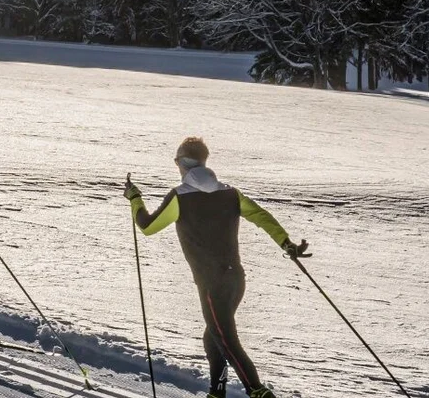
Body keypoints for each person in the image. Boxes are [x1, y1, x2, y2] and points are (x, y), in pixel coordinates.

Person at [126, 137, 307, 398]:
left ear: (184, 163)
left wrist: (134, 198)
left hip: (212, 285)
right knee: (213, 337)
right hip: (236, 281)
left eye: (177, 160)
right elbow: (261, 216)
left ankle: (257, 391)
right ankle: (216, 392)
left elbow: (147, 226)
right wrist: (285, 242)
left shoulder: (181, 197)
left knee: (226, 341)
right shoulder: (230, 193)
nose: (176, 165)